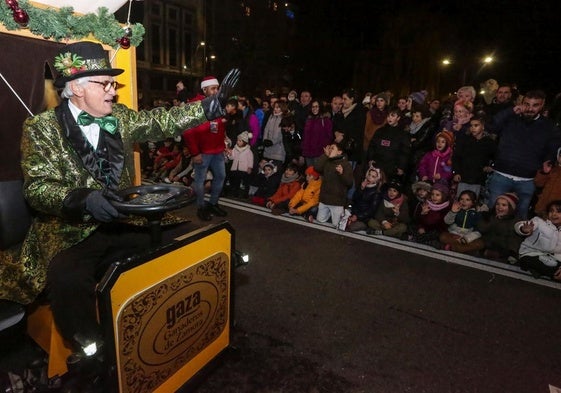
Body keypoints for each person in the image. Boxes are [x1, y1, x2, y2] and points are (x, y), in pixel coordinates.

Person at [7, 41, 239, 368]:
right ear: (75, 88)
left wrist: (207, 107)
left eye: (113, 84)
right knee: (66, 279)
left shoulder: (121, 117)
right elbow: (36, 188)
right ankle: (95, 351)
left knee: (195, 239)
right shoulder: (41, 128)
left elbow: (162, 121)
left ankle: (187, 323)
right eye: (105, 84)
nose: (113, 92)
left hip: (126, 220)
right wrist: (82, 199)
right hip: (72, 231)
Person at [486, 90, 561, 219]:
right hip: (501, 175)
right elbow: (491, 126)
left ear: (542, 106)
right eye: (527, 104)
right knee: (494, 212)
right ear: (522, 103)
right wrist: (510, 111)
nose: (530, 108)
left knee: (521, 217)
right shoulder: (510, 118)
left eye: (535, 105)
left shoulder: (549, 126)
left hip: (528, 180)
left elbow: (553, 146)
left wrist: (548, 160)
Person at [183, 75, 236, 221]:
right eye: (213, 88)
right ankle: (201, 207)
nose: (216, 91)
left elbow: (219, 126)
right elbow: (188, 132)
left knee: (220, 177)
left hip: (217, 150)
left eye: (217, 88)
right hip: (202, 152)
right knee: (200, 180)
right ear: (204, 89)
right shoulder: (194, 105)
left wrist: (223, 144)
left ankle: (213, 204)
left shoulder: (218, 102)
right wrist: (195, 152)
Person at [452, 115, 497, 199]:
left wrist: (491, 167)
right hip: (463, 178)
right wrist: (456, 172)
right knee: (461, 200)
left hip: (479, 180)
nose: (473, 128)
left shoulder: (489, 142)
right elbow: (456, 157)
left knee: (474, 202)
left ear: (483, 126)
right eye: (471, 125)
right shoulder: (464, 140)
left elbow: (496, 157)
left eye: (476, 125)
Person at [515, 200, 561, 281]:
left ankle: (547, 272)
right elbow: (521, 225)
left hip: (552, 258)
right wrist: (523, 229)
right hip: (531, 254)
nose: (554, 214)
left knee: (555, 266)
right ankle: (553, 275)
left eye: (559, 211)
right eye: (551, 211)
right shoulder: (539, 221)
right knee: (527, 261)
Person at [314, 142, 354, 227]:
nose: (330, 150)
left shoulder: (345, 165)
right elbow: (317, 168)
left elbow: (349, 183)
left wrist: (342, 173)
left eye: (332, 148)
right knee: (319, 223)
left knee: (337, 226)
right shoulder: (327, 161)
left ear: (339, 152)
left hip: (337, 202)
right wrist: (325, 155)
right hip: (324, 200)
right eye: (329, 148)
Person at [365, 108, 411, 182]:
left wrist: (401, 167)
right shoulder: (380, 131)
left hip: (391, 167)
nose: (389, 118)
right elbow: (372, 146)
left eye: (392, 116)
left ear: (398, 118)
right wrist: (370, 158)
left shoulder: (403, 134)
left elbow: (404, 152)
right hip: (377, 165)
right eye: (388, 116)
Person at [477, 193, 522, 263]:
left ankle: (510, 256)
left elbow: (514, 236)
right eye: (497, 204)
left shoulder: (515, 220)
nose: (499, 207)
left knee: (514, 237)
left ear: (511, 208)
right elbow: (481, 228)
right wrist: (493, 221)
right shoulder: (490, 215)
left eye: (504, 205)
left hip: (504, 246)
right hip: (489, 243)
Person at [409, 182, 450, 248]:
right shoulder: (426, 203)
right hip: (423, 228)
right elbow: (417, 220)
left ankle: (415, 238)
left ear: (443, 196)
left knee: (436, 234)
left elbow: (442, 225)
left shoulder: (446, 208)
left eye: (437, 195)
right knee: (411, 226)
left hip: (434, 230)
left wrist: (426, 229)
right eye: (432, 194)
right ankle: (430, 242)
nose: (434, 197)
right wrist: (422, 214)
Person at [346, 165, 386, 232]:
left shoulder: (376, 192)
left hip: (364, 218)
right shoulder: (363, 185)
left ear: (377, 179)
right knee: (341, 223)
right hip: (354, 213)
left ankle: (366, 226)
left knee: (350, 228)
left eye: (373, 177)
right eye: (369, 175)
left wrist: (358, 217)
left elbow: (371, 210)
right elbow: (354, 199)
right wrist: (361, 189)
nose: (369, 178)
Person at [302, 100, 333, 168]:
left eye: (316, 106)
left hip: (319, 153)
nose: (314, 109)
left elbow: (329, 136)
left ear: (320, 107)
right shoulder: (308, 120)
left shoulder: (325, 120)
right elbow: (305, 137)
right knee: (310, 175)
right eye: (313, 107)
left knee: (318, 175)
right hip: (308, 153)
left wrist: (323, 150)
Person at [533, 147, 561, 218]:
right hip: (543, 207)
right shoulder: (552, 168)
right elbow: (538, 183)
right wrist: (544, 172)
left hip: (558, 212)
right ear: (558, 156)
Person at [225, 131, 254, 197]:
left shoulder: (248, 150)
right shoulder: (235, 149)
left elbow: (250, 159)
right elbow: (232, 158)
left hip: (244, 169)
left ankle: (245, 194)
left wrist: (250, 167)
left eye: (240, 141)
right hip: (236, 168)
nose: (238, 142)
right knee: (236, 181)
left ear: (244, 142)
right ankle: (235, 193)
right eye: (238, 140)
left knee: (245, 182)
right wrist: (229, 154)